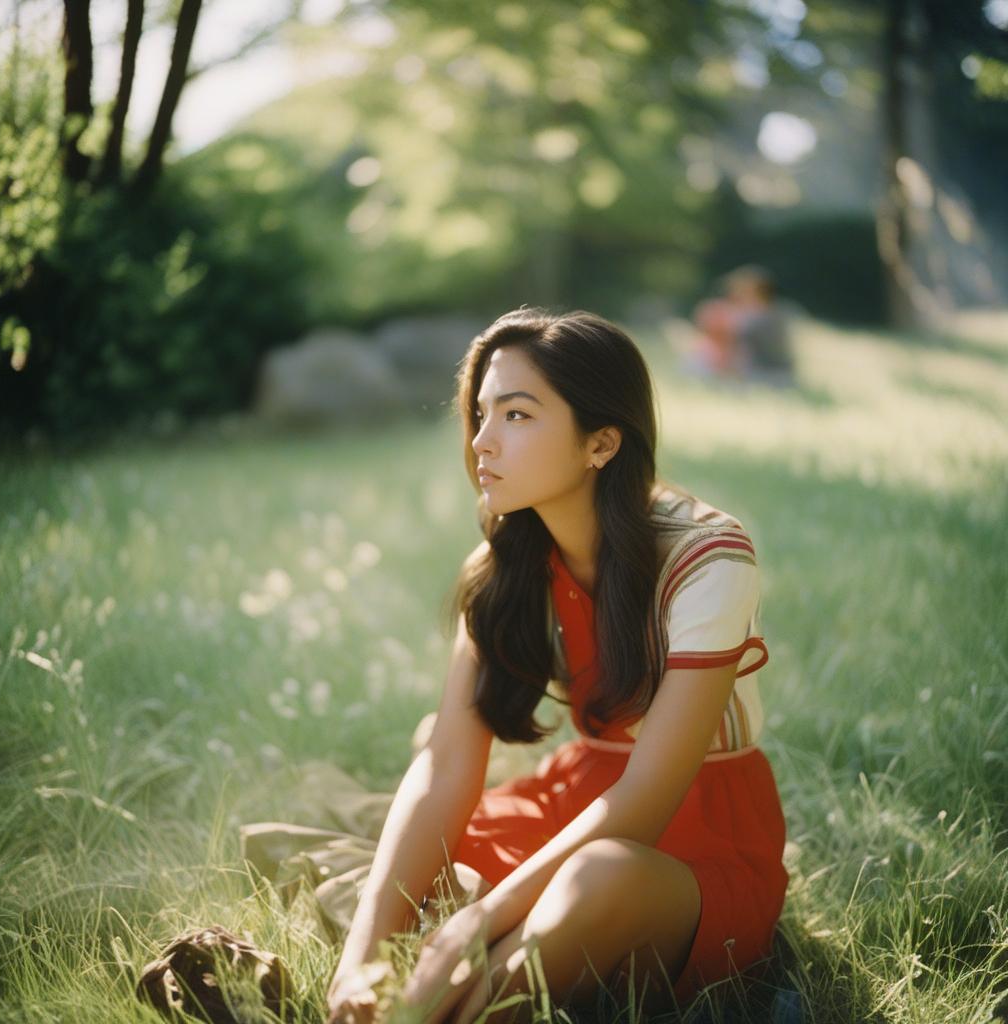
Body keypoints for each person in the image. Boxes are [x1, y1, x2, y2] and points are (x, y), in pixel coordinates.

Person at [312, 307, 789, 1023]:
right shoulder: (506, 564)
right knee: (422, 815)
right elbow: (447, 763)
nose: (481, 442)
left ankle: (426, 1013)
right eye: (479, 414)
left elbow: (650, 798)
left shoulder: (707, 557)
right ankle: (386, 998)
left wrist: (486, 919)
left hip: (692, 833)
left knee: (591, 881)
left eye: (517, 415)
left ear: (601, 442)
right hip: (579, 798)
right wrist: (358, 961)